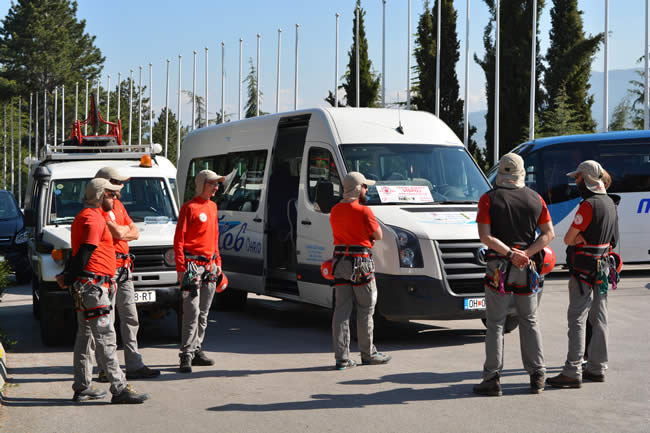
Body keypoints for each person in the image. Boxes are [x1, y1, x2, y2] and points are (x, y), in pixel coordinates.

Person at [56, 178, 149, 404]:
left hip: (88, 286)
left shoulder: (85, 216)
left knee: (85, 336)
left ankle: (82, 387)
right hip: (94, 287)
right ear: (100, 195)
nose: (115, 197)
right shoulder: (94, 219)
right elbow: (85, 252)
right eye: (111, 194)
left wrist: (68, 276)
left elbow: (78, 253)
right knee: (106, 336)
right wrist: (68, 277)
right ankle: (119, 388)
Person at [473, 153, 555, 396]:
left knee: (495, 323)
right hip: (526, 268)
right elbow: (548, 233)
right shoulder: (535, 199)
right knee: (529, 320)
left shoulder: (488, 199)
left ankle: (492, 378)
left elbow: (485, 236)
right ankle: (537, 374)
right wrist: (526, 254)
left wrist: (510, 254)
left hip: (499, 268)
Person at [547, 161, 620, 389]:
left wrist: (578, 239)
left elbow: (569, 238)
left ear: (586, 179)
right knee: (600, 317)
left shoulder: (588, 205)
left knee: (577, 318)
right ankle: (597, 367)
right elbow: (613, 240)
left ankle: (572, 370)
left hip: (584, 270)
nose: (575, 182)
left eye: (577, 178)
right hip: (603, 268)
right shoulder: (610, 203)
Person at [94, 167, 160, 381]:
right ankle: (106, 367)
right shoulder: (99, 208)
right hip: (108, 269)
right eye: (117, 182)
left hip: (124, 268)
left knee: (131, 317)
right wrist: (123, 231)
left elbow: (134, 232)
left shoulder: (119, 205)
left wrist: (123, 232)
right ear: (105, 184)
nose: (121, 187)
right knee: (107, 322)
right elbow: (119, 231)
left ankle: (134, 364)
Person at [329, 172, 391, 370]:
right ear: (358, 189)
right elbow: (378, 235)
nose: (367, 189)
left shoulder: (335, 210)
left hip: (340, 262)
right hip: (361, 263)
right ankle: (368, 354)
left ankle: (342, 359)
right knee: (365, 309)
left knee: (341, 311)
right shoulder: (364, 211)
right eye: (365, 186)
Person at [174, 169, 224, 373]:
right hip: (192, 266)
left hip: (210, 265)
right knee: (191, 311)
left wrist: (218, 261)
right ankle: (186, 354)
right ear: (202, 183)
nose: (216, 187)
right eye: (212, 183)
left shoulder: (213, 207)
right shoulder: (189, 208)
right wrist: (181, 268)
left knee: (203, 312)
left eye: (217, 184)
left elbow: (215, 237)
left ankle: (196, 350)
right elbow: (179, 240)